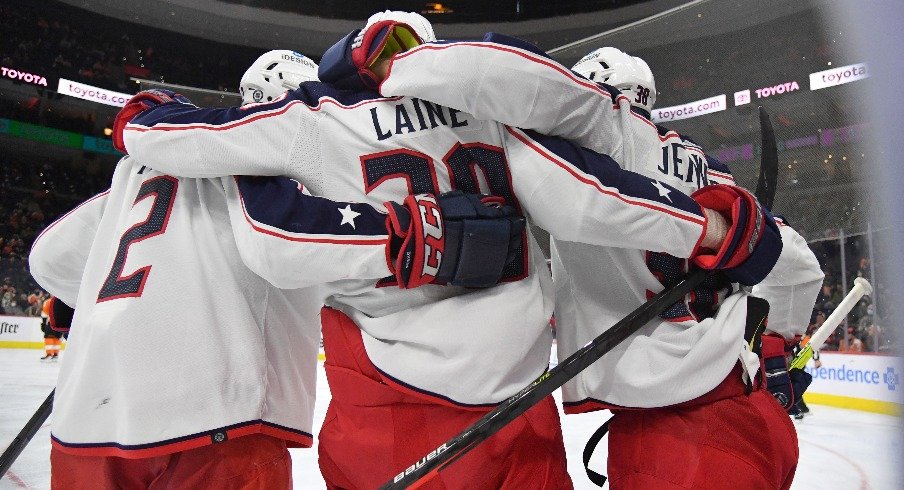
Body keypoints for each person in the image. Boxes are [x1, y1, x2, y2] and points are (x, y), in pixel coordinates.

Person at [116, 18, 780, 489]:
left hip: (398, 422)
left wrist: (145, 116)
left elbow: (220, 182)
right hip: (518, 413)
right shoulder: (491, 114)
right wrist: (708, 230)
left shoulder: (311, 120)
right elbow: (584, 195)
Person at [28, 49, 519, 489]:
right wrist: (428, 237)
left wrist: (133, 311)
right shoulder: (282, 167)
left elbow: (47, 258)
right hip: (217, 413)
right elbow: (283, 240)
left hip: (86, 418)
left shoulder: (135, 171)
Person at [368, 38, 823, 488]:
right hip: (754, 414)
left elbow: (546, 165)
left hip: (674, 441)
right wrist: (777, 349)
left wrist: (398, 69)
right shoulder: (714, 169)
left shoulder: (602, 135)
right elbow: (798, 264)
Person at [39, 295, 62, 361]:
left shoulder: (48, 301)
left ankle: (49, 354)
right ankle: (55, 355)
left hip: (51, 323)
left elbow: (44, 314)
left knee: (48, 338)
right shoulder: (64, 303)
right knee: (57, 338)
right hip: (61, 323)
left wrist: (43, 324)